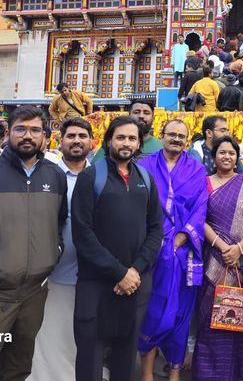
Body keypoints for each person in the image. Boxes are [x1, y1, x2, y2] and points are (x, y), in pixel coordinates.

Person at [71, 115, 163, 381]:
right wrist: (119, 273)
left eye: (132, 138)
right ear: (109, 140)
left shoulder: (145, 178)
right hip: (97, 284)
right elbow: (82, 233)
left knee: (125, 357)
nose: (126, 143)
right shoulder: (91, 177)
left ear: (138, 144)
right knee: (90, 356)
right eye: (120, 137)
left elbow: (156, 228)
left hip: (135, 283)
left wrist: (135, 270)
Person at [0, 105, 67, 380]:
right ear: (8, 133)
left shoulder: (55, 174)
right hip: (1, 293)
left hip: (33, 293)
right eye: (20, 129)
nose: (28, 135)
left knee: (18, 364)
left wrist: (54, 251)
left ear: (44, 136)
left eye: (35, 130)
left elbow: (59, 222)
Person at [139, 119, 208, 381]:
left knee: (180, 312)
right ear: (161, 135)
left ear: (187, 141)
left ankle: (175, 372)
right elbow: (137, 203)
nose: (176, 139)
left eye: (182, 136)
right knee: (151, 310)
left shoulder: (196, 169)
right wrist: (151, 241)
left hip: (182, 253)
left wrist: (180, 238)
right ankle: (146, 372)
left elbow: (201, 206)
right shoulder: (144, 165)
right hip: (150, 252)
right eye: (172, 135)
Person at [29, 118, 93, 381]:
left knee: (80, 339)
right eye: (70, 136)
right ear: (60, 140)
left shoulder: (101, 175)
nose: (76, 140)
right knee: (49, 336)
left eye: (82, 136)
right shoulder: (46, 174)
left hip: (90, 275)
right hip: (51, 274)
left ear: (92, 142)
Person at [192, 136, 243, 381]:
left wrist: (239, 248)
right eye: (222, 153)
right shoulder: (204, 183)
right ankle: (208, 373)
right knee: (209, 317)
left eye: (232, 153)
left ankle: (235, 372)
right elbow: (200, 218)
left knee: (236, 317)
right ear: (214, 156)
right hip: (212, 258)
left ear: (237, 157)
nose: (227, 157)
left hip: (239, 261)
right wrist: (222, 247)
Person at [92, 99, 162, 162]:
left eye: (146, 113)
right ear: (129, 115)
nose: (141, 116)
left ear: (153, 118)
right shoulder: (113, 145)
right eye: (136, 112)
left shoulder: (161, 148)